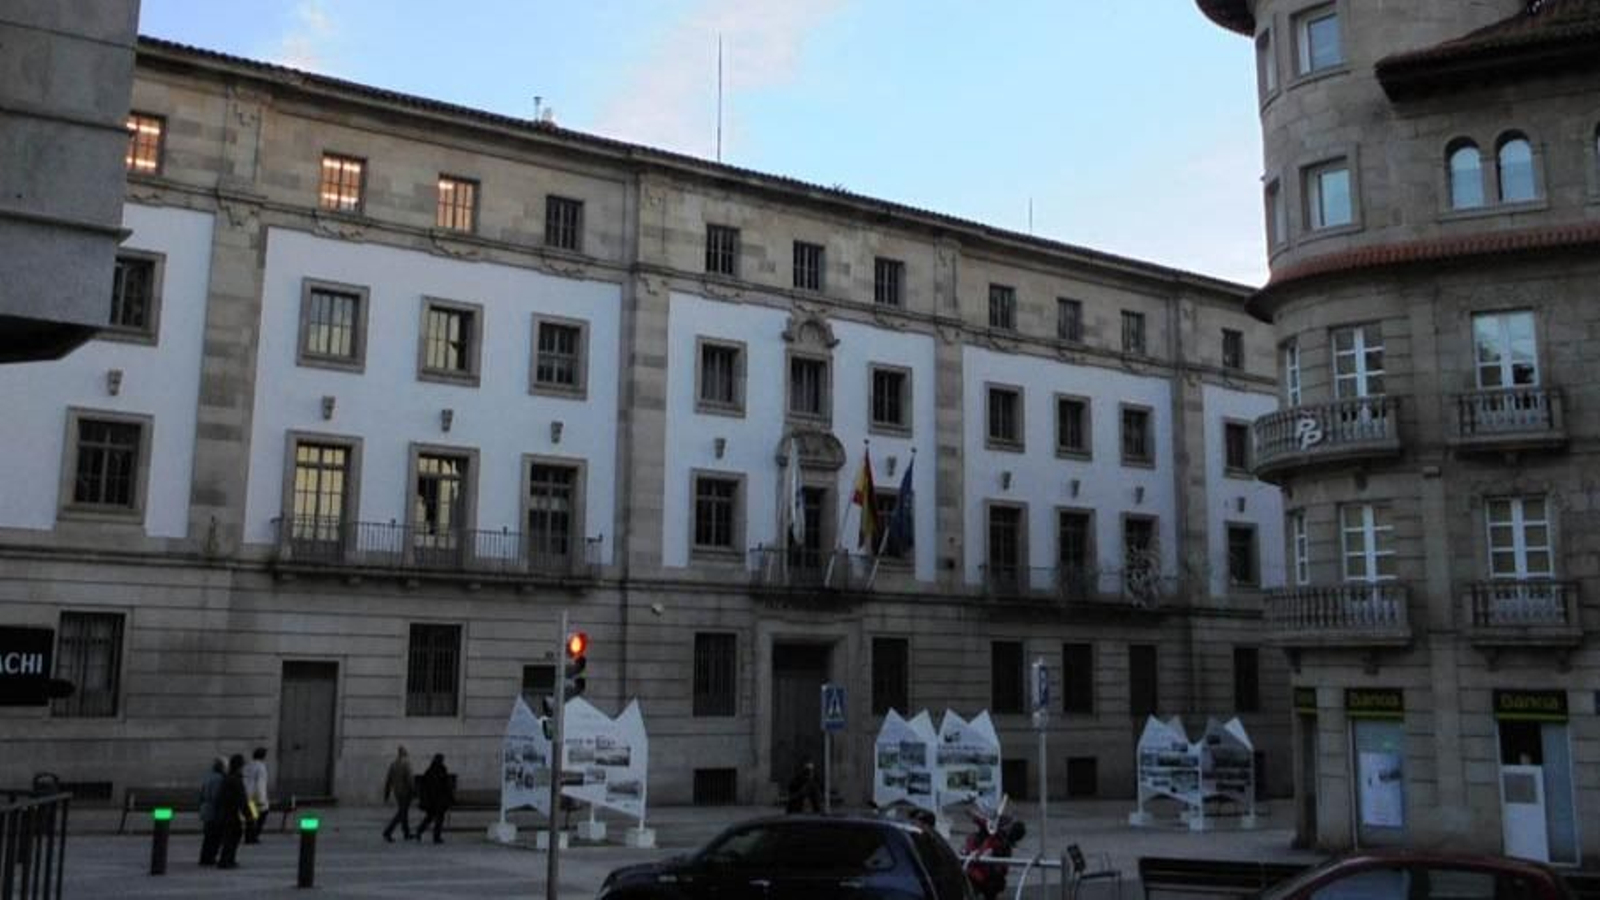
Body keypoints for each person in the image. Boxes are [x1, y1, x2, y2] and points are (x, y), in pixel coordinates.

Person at [216, 754, 250, 869]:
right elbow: (242, 799)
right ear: (239, 766)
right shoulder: (236, 779)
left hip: (225, 811)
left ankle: (227, 859)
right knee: (233, 836)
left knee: (231, 836)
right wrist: (249, 815)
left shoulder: (227, 778)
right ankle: (227, 860)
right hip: (231, 812)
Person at [414, 753, 452, 843]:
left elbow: (425, 785)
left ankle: (419, 831)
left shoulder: (430, 770)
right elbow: (446, 785)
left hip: (431, 800)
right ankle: (436, 837)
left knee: (430, 817)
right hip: (438, 799)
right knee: (439, 818)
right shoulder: (441, 770)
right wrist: (450, 798)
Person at [382, 745, 414, 842]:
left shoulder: (393, 764)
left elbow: (389, 779)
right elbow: (409, 779)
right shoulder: (406, 764)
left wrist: (387, 793)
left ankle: (406, 833)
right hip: (405, 792)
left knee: (404, 812)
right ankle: (388, 832)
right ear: (405, 753)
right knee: (401, 813)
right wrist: (414, 790)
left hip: (397, 792)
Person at [197, 757, 226, 866]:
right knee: (215, 836)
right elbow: (217, 797)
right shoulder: (219, 779)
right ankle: (210, 857)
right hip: (214, 810)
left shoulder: (207, 776)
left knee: (208, 836)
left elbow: (201, 793)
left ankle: (205, 857)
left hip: (205, 808)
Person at [242, 746, 270, 844]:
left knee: (251, 817)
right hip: (255, 798)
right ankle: (253, 836)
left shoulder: (247, 766)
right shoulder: (261, 767)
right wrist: (261, 799)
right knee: (260, 815)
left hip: (247, 796)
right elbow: (260, 784)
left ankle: (249, 836)